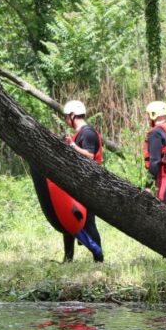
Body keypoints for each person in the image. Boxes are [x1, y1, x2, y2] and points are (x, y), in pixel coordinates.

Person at [62, 100, 103, 263]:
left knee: (88, 222)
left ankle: (99, 258)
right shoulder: (79, 133)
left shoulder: (88, 133)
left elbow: (90, 156)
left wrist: (72, 145)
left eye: (66, 117)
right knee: (67, 219)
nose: (66, 120)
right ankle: (68, 258)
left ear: (72, 115)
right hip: (78, 183)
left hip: (89, 184)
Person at [143, 101, 166, 205]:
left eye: (148, 115)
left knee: (164, 209)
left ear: (153, 115)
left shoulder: (155, 133)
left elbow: (154, 161)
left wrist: (148, 186)